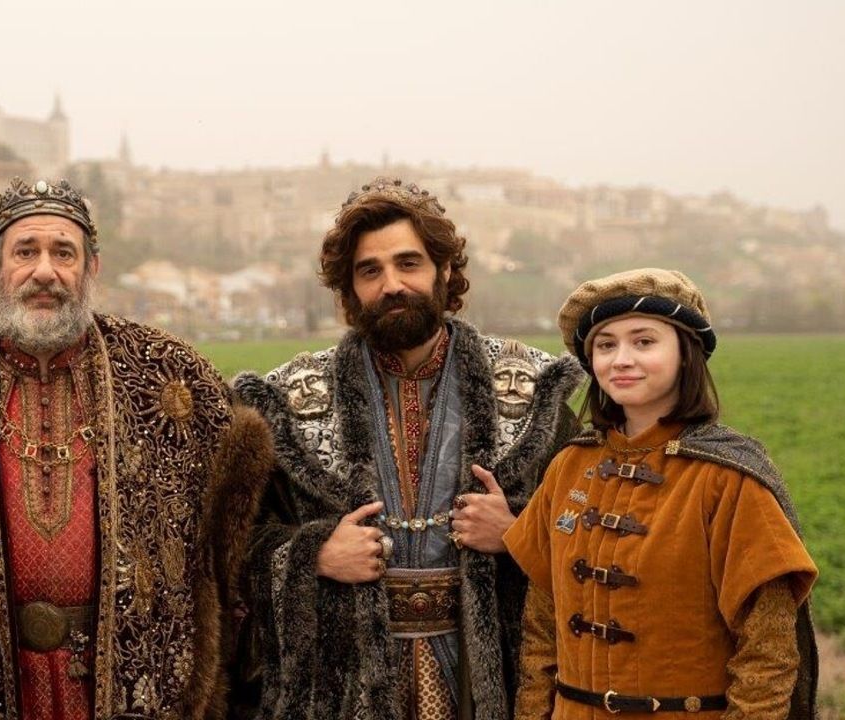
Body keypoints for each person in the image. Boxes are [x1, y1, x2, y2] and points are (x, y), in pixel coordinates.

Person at [0, 177, 272, 719]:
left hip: (138, 685)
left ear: (91, 268)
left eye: (63, 253)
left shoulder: (171, 377)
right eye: (26, 252)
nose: (44, 271)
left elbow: (230, 550)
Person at [231, 177, 583, 719]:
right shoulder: (287, 401)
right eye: (369, 271)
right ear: (349, 289)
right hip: (344, 687)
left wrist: (518, 533)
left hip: (490, 681)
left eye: (408, 263)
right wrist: (313, 554)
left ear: (445, 269)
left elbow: (592, 533)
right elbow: (234, 546)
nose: (391, 284)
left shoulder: (530, 388)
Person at [504, 268, 819, 718]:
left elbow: (767, 654)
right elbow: (540, 628)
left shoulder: (728, 479)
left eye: (644, 341)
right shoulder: (568, 467)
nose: (621, 359)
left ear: (686, 354)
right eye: (605, 345)